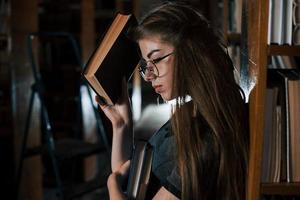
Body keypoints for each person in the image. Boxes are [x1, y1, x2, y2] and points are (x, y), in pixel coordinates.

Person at [96, 2, 249, 200]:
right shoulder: (190, 114)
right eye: (146, 65)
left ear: (190, 52)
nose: (149, 75)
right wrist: (121, 124)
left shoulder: (202, 137)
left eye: (157, 60)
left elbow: (121, 184)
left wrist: (111, 185)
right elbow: (131, 182)